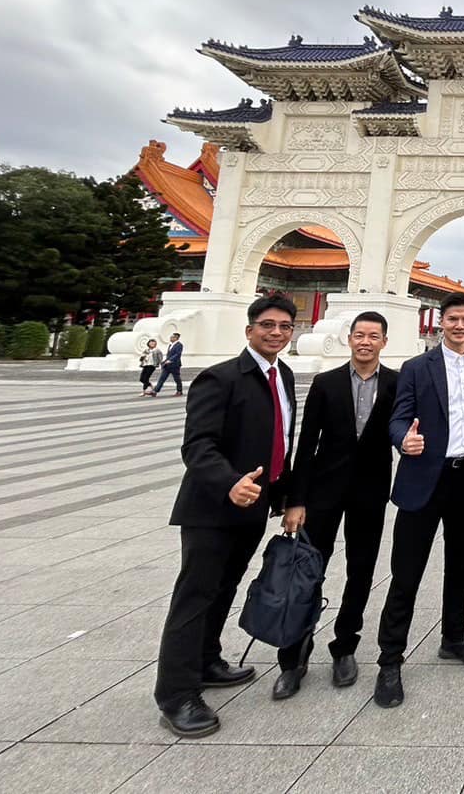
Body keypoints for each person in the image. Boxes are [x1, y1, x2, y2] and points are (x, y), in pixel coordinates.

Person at [154, 293, 298, 739]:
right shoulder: (219, 378)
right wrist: (229, 482)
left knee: (224, 589)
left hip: (254, 506)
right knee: (195, 596)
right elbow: (198, 445)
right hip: (213, 509)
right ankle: (176, 695)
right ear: (249, 329)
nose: (276, 333)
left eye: (284, 327)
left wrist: (285, 497)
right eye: (267, 325)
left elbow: (280, 441)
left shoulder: (283, 375)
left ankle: (206, 660)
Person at [372, 293, 464, 706]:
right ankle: (390, 660)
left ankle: (454, 637)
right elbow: (398, 417)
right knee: (406, 572)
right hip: (424, 479)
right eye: (453, 319)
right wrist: (403, 440)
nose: (460, 326)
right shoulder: (416, 368)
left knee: (460, 564)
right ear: (441, 322)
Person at [269, 311, 399, 702]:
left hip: (370, 492)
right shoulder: (326, 383)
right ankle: (293, 656)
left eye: (373, 336)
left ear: (384, 342)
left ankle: (345, 646)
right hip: (322, 492)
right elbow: (306, 443)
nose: (365, 342)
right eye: (359, 335)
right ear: (349, 339)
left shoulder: (396, 383)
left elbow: (404, 429)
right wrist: (296, 500)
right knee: (308, 572)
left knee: (361, 570)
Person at [149, 332, 185, 397]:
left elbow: (178, 354)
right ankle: (155, 391)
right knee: (162, 378)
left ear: (176, 338)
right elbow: (169, 355)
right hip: (167, 365)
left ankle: (179, 391)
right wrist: (164, 361)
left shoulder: (179, 345)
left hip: (175, 365)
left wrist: (170, 360)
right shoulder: (170, 345)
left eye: (172, 337)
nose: (170, 338)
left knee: (177, 379)